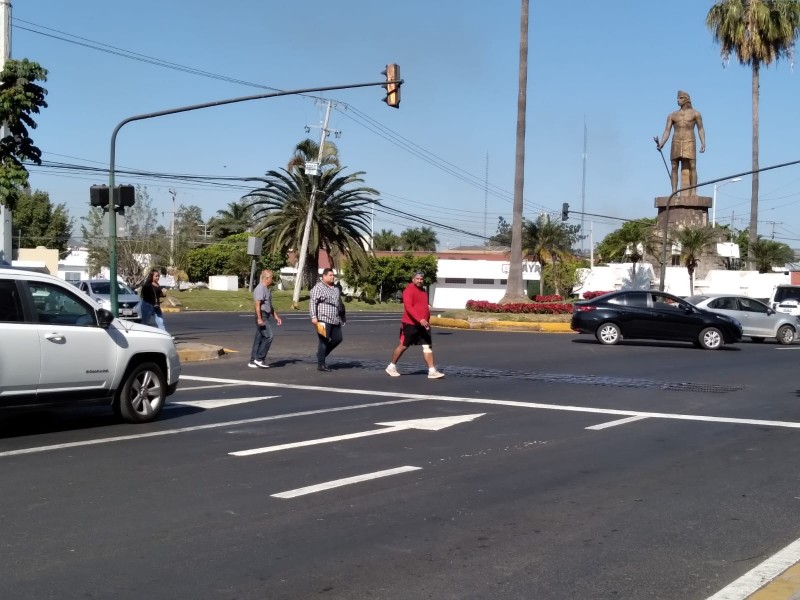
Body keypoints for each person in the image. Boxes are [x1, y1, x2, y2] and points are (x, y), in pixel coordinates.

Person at [386, 271, 445, 379]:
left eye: (421, 279)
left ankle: (432, 371)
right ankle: (391, 366)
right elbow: (409, 307)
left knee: (427, 346)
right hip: (410, 324)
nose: (419, 281)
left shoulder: (423, 291)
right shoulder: (408, 291)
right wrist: (420, 319)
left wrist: (426, 320)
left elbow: (423, 307)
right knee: (404, 346)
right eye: (417, 279)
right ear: (413, 279)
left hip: (423, 325)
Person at [657, 90, 706, 196]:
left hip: (690, 141)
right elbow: (667, 131)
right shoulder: (672, 115)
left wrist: (703, 143)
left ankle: (693, 191)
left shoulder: (695, 114)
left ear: (687, 99)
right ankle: (674, 192)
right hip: (676, 142)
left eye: (681, 98)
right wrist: (662, 143)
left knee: (693, 165)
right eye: (678, 98)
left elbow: (700, 129)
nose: (678, 100)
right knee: (674, 166)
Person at [309, 268, 346, 372]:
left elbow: (339, 303)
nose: (332, 277)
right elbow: (313, 303)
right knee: (323, 340)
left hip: (335, 319)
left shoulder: (335, 289)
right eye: (330, 275)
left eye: (333, 275)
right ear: (324, 276)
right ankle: (321, 364)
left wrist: (342, 317)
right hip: (322, 318)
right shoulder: (318, 288)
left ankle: (321, 354)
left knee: (338, 339)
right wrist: (314, 317)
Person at [249, 269, 282, 369]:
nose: (272, 279)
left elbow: (269, 305)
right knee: (269, 336)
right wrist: (259, 318)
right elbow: (257, 305)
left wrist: (275, 316)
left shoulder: (267, 289)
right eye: (271, 277)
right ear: (267, 278)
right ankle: (259, 359)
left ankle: (252, 361)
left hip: (265, 314)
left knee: (259, 338)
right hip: (261, 315)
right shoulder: (260, 288)